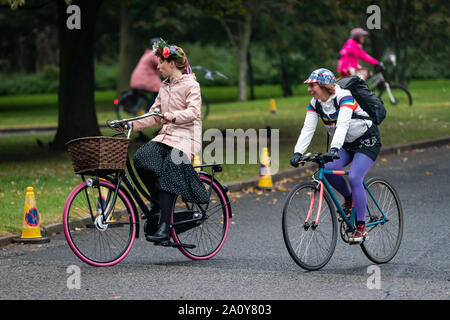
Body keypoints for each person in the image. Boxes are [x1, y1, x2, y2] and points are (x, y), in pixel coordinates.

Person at [128, 38, 208, 243]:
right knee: (141, 158)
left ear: (171, 63)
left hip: (186, 138)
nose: (157, 66)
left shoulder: (192, 84)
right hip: (167, 137)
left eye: (160, 62)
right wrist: (130, 124)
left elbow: (194, 112)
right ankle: (157, 202)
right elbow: (154, 115)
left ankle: (165, 225)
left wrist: (173, 115)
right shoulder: (164, 87)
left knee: (171, 166)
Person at [290, 68, 381, 243]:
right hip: (346, 143)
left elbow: (343, 125)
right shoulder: (315, 103)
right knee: (329, 168)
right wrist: (298, 152)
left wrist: (333, 148)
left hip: (367, 140)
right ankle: (349, 199)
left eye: (313, 85)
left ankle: (361, 227)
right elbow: (308, 128)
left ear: (324, 86)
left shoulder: (344, 96)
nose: (309, 89)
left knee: (355, 177)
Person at [129, 37, 162, 106]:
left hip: (137, 78)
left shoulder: (147, 53)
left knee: (155, 92)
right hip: (144, 79)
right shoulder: (153, 54)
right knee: (160, 89)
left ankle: (147, 107)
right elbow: (161, 64)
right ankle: (150, 110)